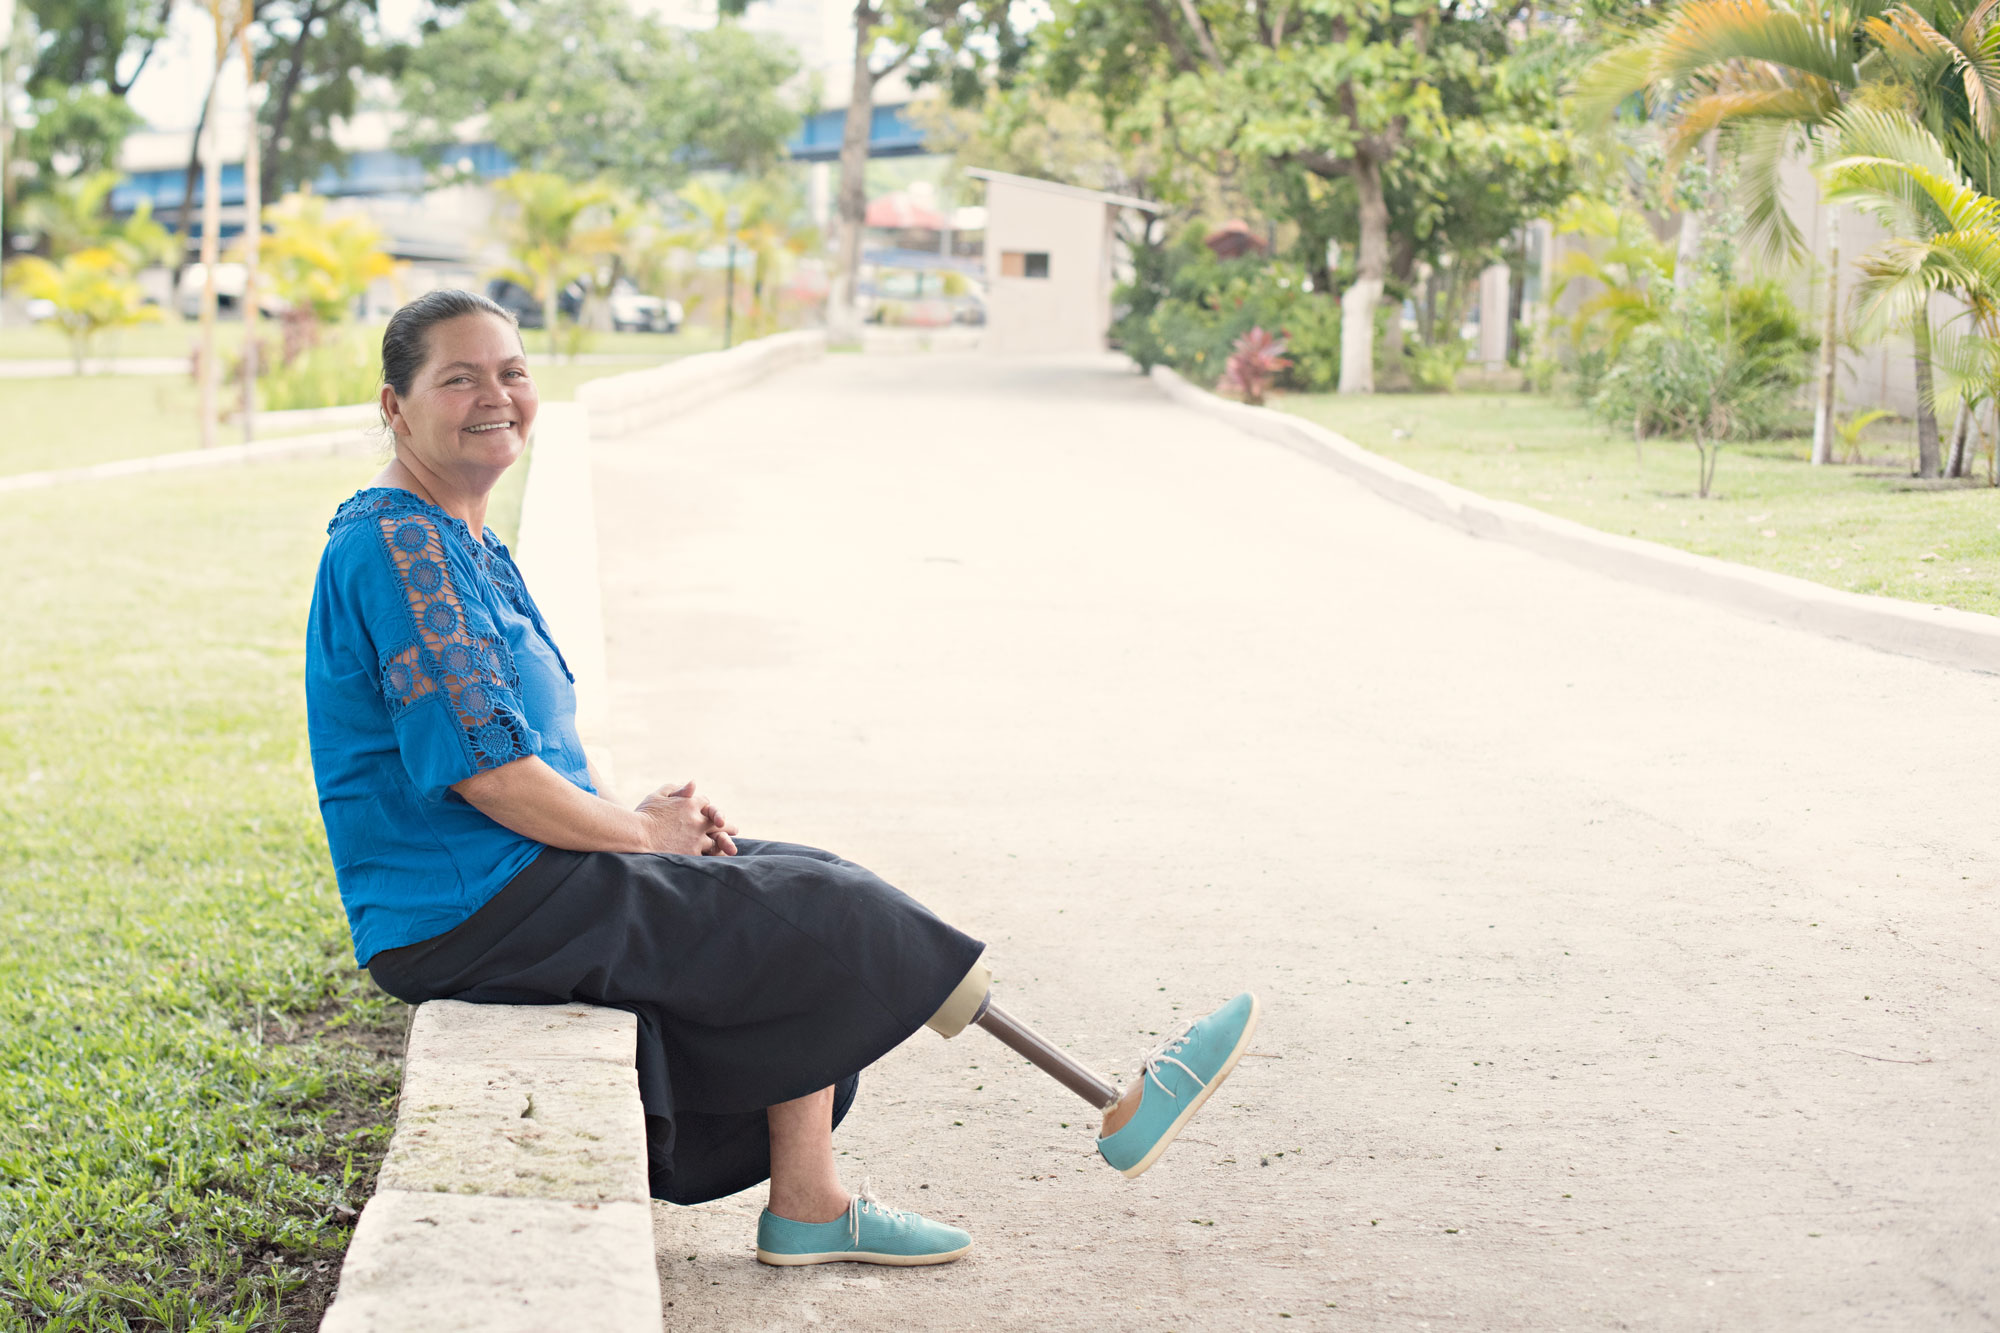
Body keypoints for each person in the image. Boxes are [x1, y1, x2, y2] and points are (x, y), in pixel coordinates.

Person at [305, 289, 1258, 1268]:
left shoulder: (459, 538)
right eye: (458, 378)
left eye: (511, 371)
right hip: (469, 908)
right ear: (395, 407)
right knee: (815, 909)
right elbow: (490, 776)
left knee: (797, 882)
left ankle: (810, 1204)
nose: (495, 395)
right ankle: (1109, 1099)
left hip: (514, 881)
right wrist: (645, 839)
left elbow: (527, 753)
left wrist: (642, 819)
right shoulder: (398, 544)